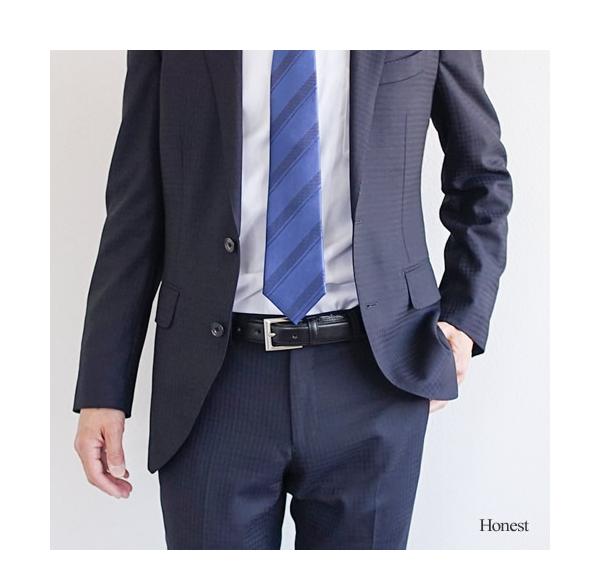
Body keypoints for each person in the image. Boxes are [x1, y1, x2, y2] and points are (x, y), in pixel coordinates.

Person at [73, 50, 512, 549]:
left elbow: (481, 177)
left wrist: (465, 318)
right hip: (213, 383)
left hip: (377, 375)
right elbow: (136, 204)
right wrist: (104, 388)